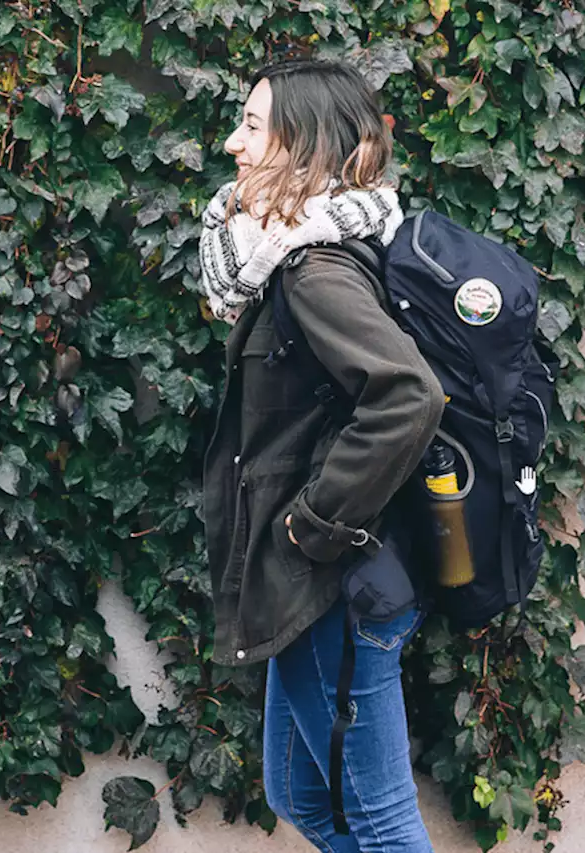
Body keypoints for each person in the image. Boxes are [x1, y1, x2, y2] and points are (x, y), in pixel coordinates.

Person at [198, 59, 445, 853]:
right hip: (310, 583)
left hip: (331, 583)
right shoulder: (292, 252)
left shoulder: (314, 267)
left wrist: (313, 527)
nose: (233, 145)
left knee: (379, 820)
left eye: (251, 127)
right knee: (300, 791)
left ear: (300, 147)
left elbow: (409, 395)